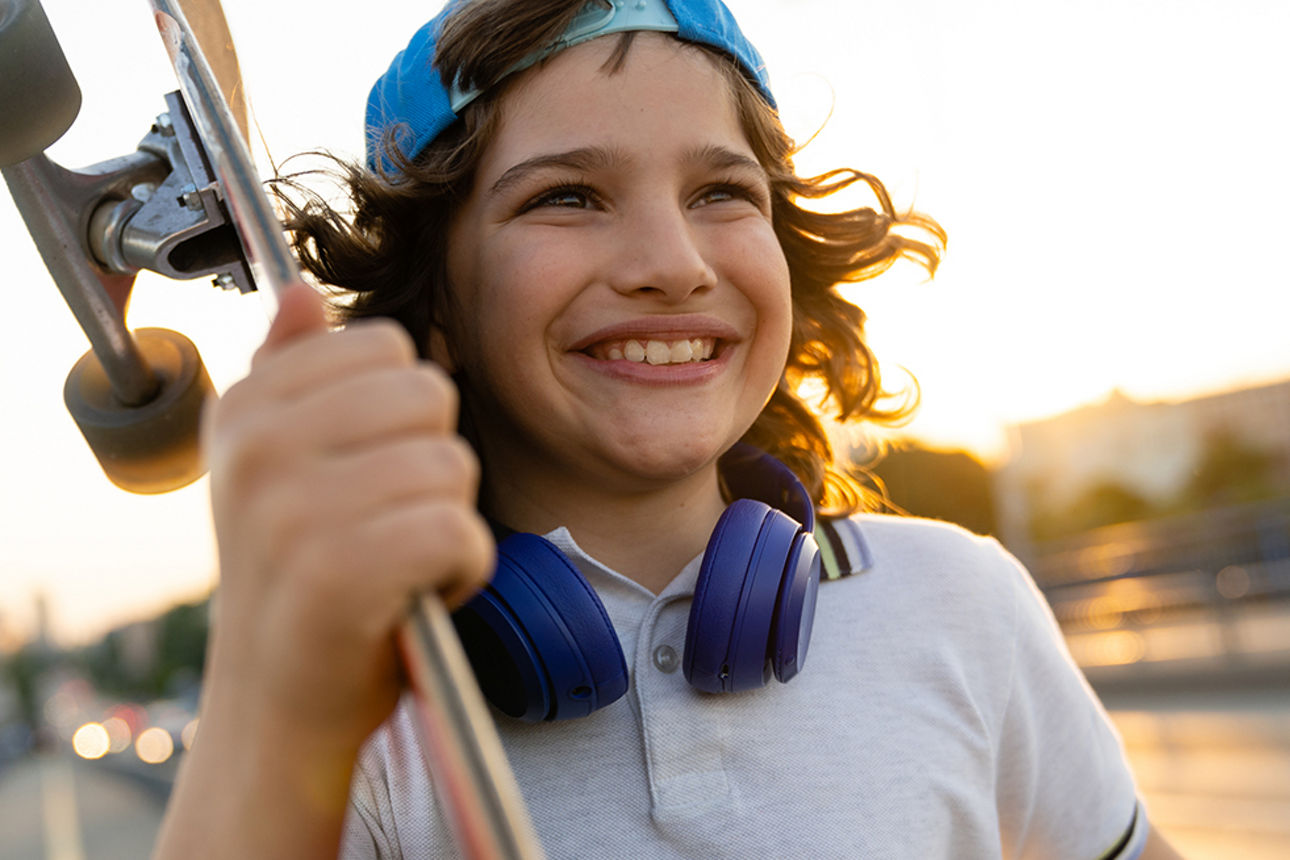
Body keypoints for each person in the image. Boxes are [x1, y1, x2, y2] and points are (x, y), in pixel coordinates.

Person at [155, 0, 1182, 857]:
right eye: (567, 195)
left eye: (722, 192)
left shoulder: (961, 602)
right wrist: (275, 700)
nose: (673, 259)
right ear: (439, 307)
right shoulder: (364, 716)